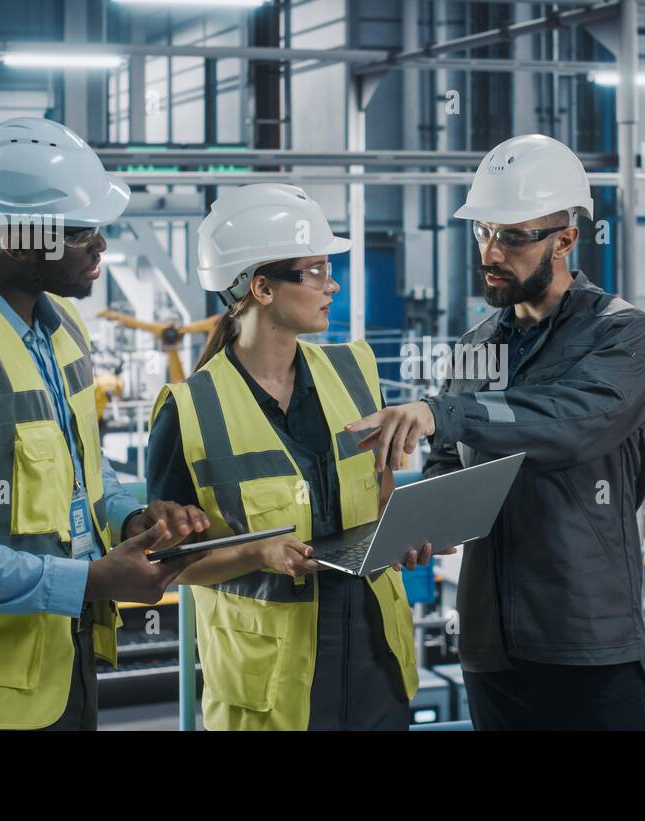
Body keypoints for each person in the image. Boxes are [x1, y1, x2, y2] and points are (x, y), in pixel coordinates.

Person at [0, 117, 208, 731]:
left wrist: (131, 518)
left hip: (62, 660)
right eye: (82, 232)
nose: (101, 245)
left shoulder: (60, 332)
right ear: (22, 242)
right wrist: (88, 580)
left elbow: (82, 470)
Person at [344, 134, 645, 730]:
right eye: (483, 232)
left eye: (513, 237)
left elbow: (573, 423)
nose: (491, 252)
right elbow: (449, 459)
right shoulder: (473, 347)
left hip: (584, 632)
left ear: (565, 239)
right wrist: (423, 522)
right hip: (490, 638)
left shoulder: (623, 334)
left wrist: (446, 412)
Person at [146, 183, 437, 730]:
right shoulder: (189, 410)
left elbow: (379, 494)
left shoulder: (353, 372)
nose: (333, 286)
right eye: (317, 270)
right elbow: (162, 564)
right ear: (262, 287)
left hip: (376, 663)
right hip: (271, 689)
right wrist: (257, 554)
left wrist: (405, 535)